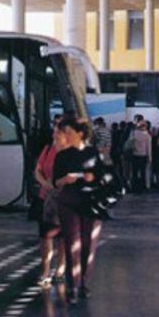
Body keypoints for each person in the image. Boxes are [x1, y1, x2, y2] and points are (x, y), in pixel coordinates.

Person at [53, 115, 104, 304]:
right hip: (69, 201)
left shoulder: (93, 153)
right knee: (72, 243)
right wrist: (65, 180)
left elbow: (102, 177)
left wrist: (93, 177)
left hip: (91, 202)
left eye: (69, 132)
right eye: (64, 132)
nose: (65, 135)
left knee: (88, 243)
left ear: (80, 134)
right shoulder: (62, 155)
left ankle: (84, 283)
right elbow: (55, 182)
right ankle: (72, 286)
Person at [33, 122, 68, 289]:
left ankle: (60, 270)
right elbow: (38, 169)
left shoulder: (70, 152)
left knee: (63, 237)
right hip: (46, 199)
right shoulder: (48, 149)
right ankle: (45, 271)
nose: (54, 136)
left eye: (58, 134)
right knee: (46, 236)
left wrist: (54, 184)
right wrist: (44, 184)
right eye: (54, 133)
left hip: (64, 200)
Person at [131, 121, 152, 193]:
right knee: (143, 172)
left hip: (134, 155)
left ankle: (134, 187)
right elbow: (148, 148)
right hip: (143, 155)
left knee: (135, 172)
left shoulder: (133, 133)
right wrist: (150, 157)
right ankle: (142, 187)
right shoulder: (147, 135)